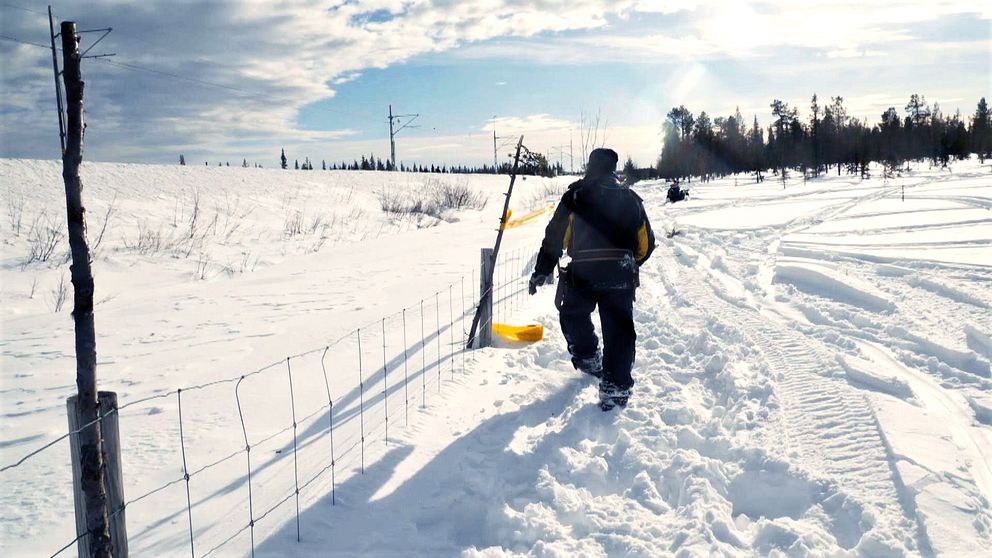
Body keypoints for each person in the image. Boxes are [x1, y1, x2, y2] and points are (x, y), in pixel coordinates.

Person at [528, 148, 655, 410]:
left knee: (572, 314)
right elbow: (646, 244)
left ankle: (587, 357)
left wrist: (542, 269)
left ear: (590, 166)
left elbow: (555, 236)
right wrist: (630, 263)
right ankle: (616, 387)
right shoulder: (630, 199)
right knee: (619, 330)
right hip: (619, 273)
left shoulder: (575, 196)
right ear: (613, 168)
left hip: (583, 272)